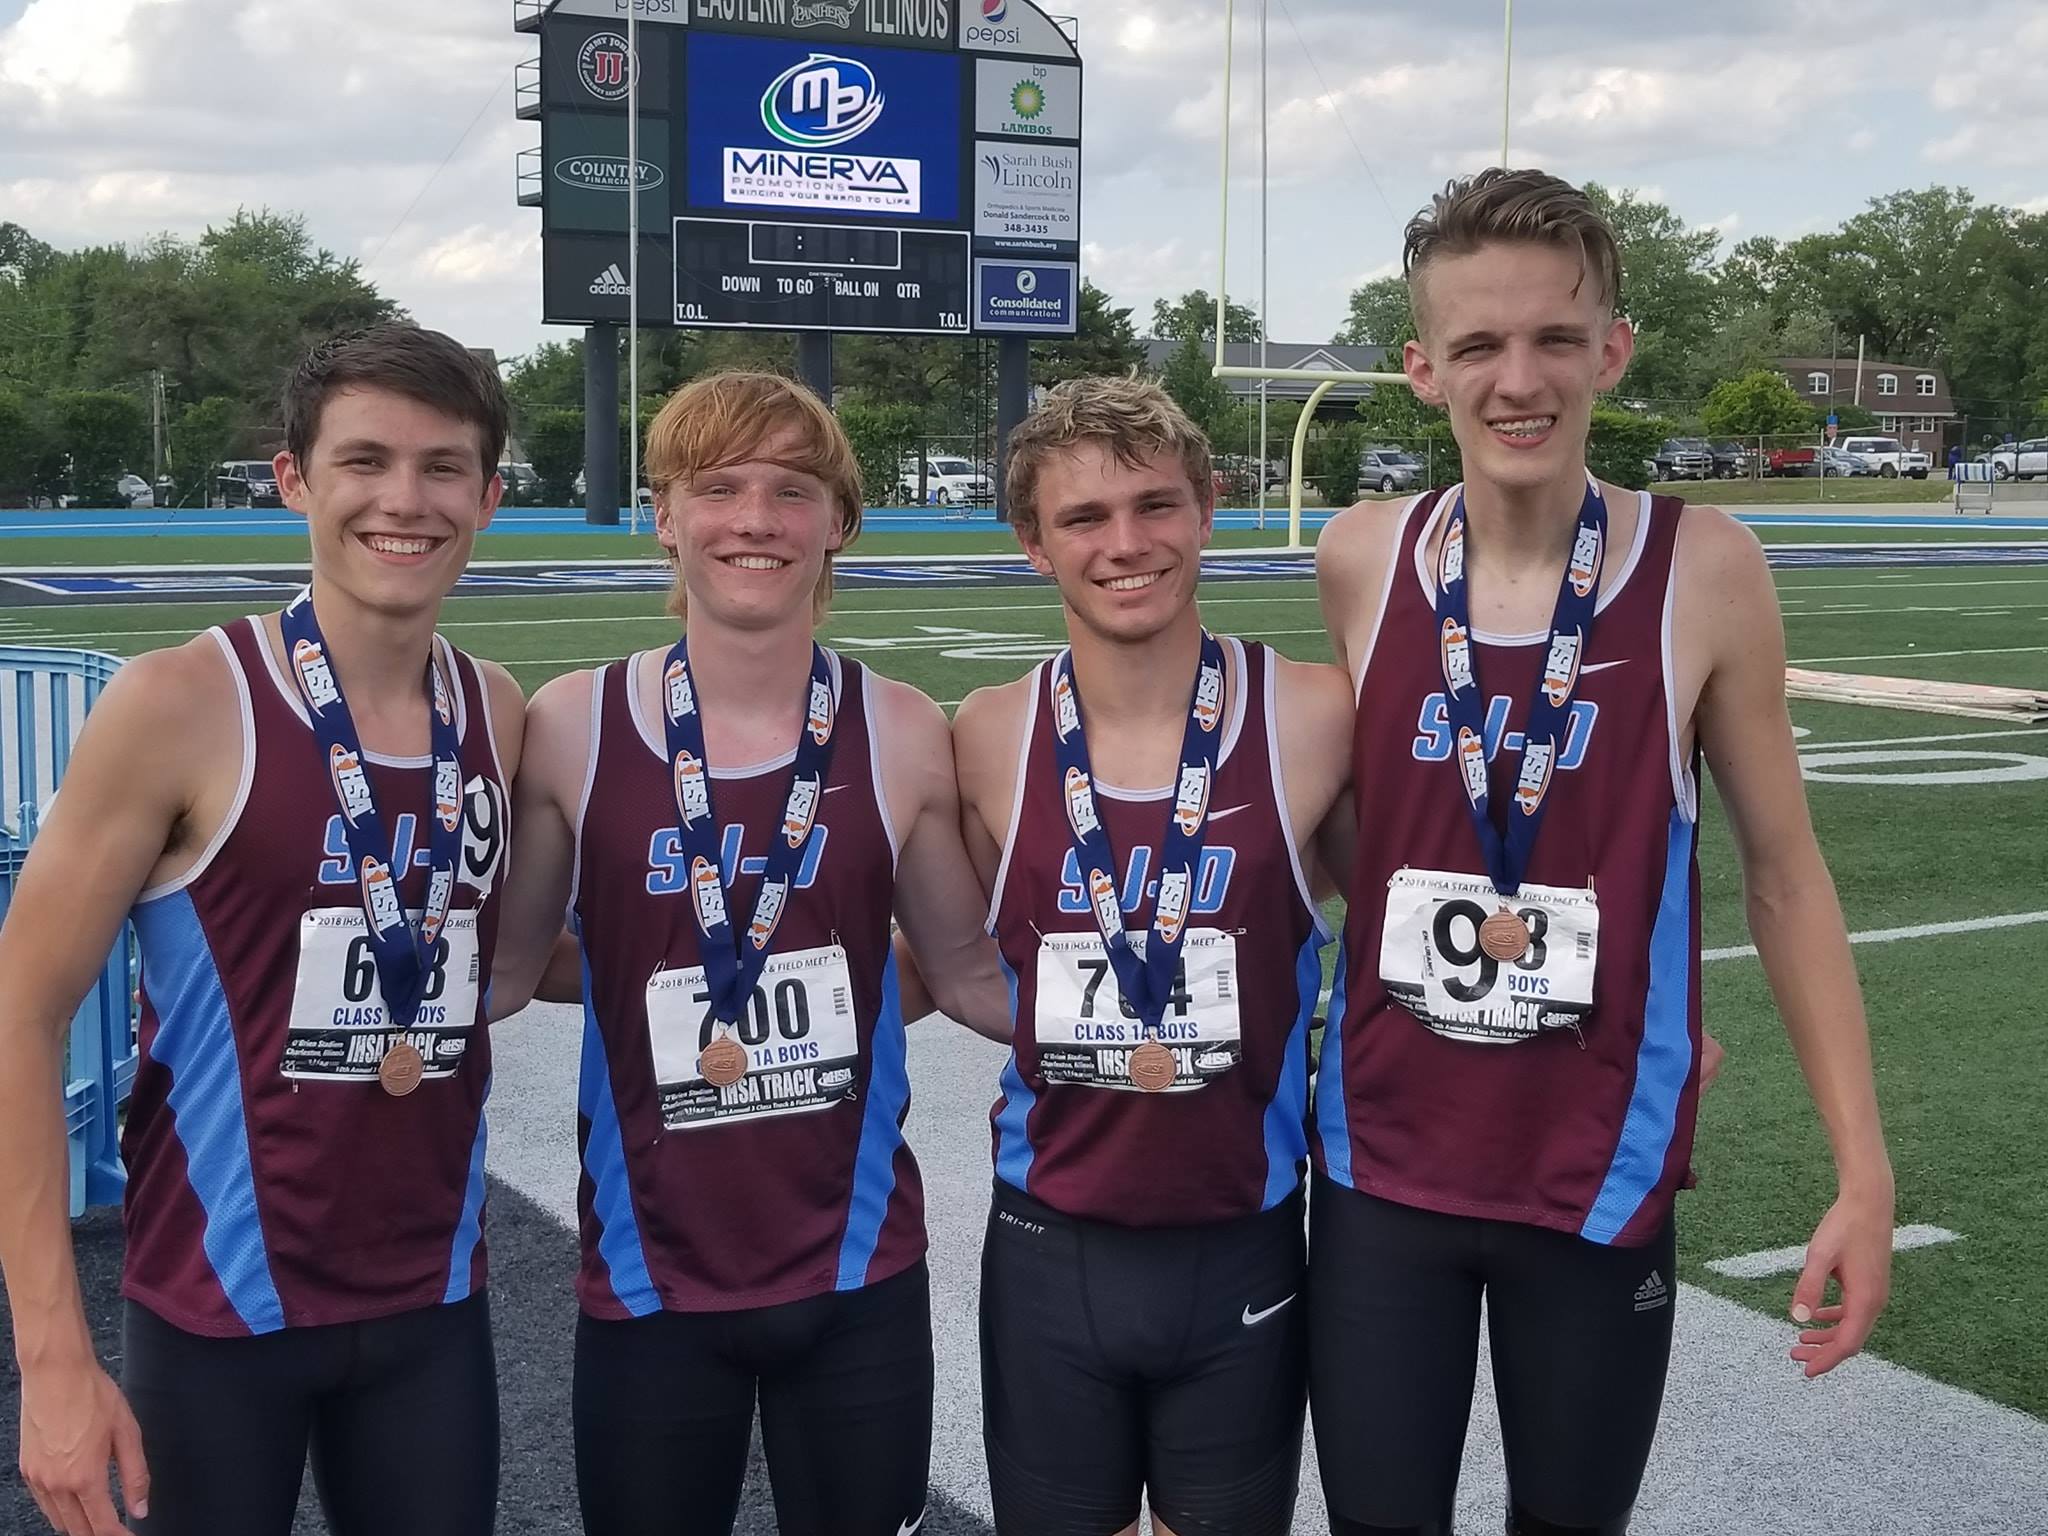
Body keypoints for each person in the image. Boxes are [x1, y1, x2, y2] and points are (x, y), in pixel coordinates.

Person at [1310, 167, 1895, 1536]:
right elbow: (1350, 840)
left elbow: (1785, 873)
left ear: (1611, 351)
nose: (1520, 379)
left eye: (1555, 338)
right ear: (1421, 369)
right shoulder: (1358, 559)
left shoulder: (1707, 567)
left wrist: (1863, 1173)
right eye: (1478, 346)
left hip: (1596, 1171)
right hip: (1381, 1167)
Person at [0, 323, 523, 1536]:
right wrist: (55, 1366)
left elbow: (500, 957)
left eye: (444, 467)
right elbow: (22, 1016)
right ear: (293, 478)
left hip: (435, 1305)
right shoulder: (179, 703)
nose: (406, 499)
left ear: (490, 495)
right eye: (365, 461)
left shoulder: (494, 710)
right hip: (218, 1314)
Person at [486, 370, 1009, 1536]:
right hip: (647, 1271)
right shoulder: (570, 725)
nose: (756, 518)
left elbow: (965, 972)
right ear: (663, 515)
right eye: (717, 487)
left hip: (858, 1264)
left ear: (836, 522)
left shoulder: (905, 729)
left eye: (791, 489)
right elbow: (513, 972)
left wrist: (1168, 1022)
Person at [947, 376, 1355, 1536]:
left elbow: (1411, 918)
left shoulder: (1315, 714)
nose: (1125, 544)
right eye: (1082, 518)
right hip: (1047, 1244)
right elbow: (941, 956)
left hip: (1243, 1235)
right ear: (1032, 544)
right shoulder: (984, 733)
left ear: (1207, 506)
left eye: (1153, 505)